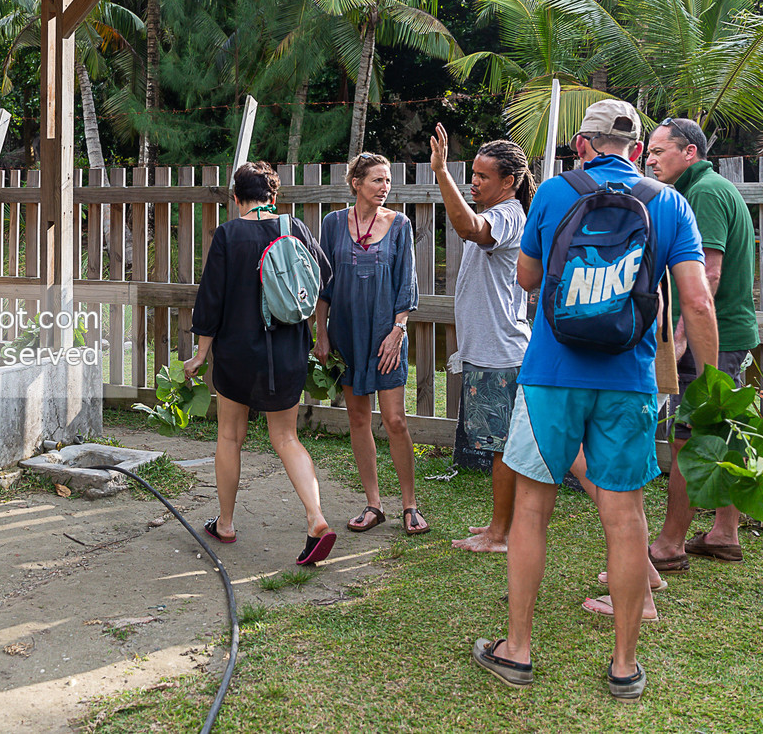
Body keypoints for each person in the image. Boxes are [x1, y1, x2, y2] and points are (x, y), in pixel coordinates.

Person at [471, 100, 717, 701]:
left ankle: (518, 652)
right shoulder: (669, 203)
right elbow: (698, 302)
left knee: (532, 509)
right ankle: (625, 666)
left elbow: (527, 278)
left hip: (551, 373)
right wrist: (710, 387)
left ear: (583, 143)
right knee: (625, 516)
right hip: (627, 377)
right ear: (637, 149)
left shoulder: (555, 194)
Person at [188, 161, 338, 567]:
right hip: (286, 352)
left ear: (236, 198)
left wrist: (201, 354)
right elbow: (322, 276)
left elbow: (211, 299)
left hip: (237, 354)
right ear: (275, 197)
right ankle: (316, 516)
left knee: (229, 437)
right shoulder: (295, 228)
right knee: (286, 438)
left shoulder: (228, 234)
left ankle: (227, 523)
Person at [644, 116, 761, 568]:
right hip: (726, 334)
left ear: (689, 152)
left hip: (708, 337)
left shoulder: (705, 193)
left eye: (659, 151)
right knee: (721, 432)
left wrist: (678, 340)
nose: (650, 159)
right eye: (648, 152)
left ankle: (669, 545)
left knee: (687, 440)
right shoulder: (701, 189)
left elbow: (707, 276)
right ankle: (724, 532)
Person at [429, 129, 534, 554]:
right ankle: (499, 527)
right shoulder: (500, 209)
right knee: (500, 447)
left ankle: (501, 534)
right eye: (471, 174)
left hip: (500, 353)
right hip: (489, 352)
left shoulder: (507, 214)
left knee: (503, 450)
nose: (474, 182)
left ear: (508, 181)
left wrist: (440, 172)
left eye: (483, 176)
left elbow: (469, 227)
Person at [314, 153, 426, 535]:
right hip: (347, 333)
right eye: (377, 180)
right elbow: (323, 283)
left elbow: (407, 284)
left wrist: (398, 331)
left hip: (386, 335)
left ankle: (410, 505)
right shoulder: (332, 223)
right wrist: (322, 331)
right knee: (358, 418)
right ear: (356, 183)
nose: (385, 187)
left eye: (388, 181)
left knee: (395, 420)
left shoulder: (400, 225)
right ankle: (374, 505)